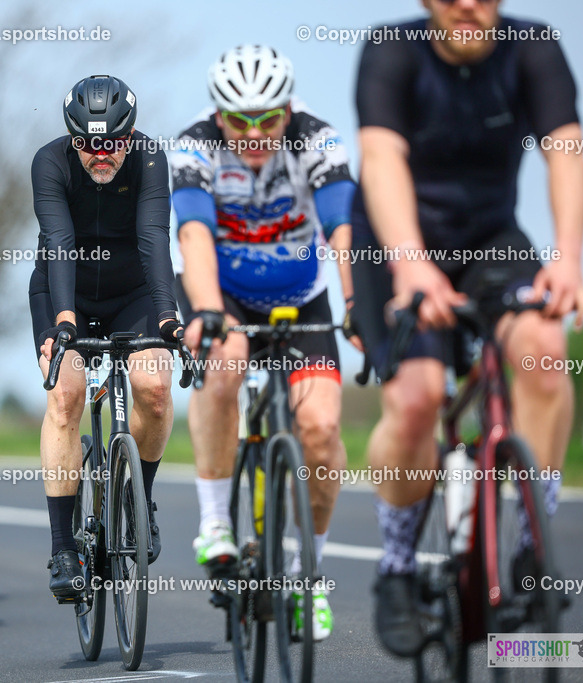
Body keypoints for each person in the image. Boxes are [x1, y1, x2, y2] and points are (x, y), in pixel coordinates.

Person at [350, 0, 583, 657]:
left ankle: (529, 546)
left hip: (491, 238)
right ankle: (397, 569)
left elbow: (565, 152)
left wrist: (567, 257)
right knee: (419, 396)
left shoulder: (534, 47)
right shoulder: (390, 51)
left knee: (544, 346)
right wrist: (410, 265)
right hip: (391, 241)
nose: (467, 6)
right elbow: (380, 160)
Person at [171, 44, 358, 641]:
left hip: (302, 297)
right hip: (221, 293)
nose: (255, 133)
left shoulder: (317, 139)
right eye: (240, 120)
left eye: (268, 119)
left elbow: (343, 229)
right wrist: (205, 311)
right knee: (224, 366)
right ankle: (215, 522)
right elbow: (194, 232)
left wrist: (356, 305)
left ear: (287, 108)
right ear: (218, 114)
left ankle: (309, 572)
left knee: (323, 434)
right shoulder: (194, 144)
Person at [30, 75, 183, 601]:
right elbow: (59, 241)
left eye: (112, 142)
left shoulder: (151, 159)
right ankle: (63, 548)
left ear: (131, 133)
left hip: (134, 292)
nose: (100, 154)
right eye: (88, 143)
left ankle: (138, 499)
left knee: (157, 392)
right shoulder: (49, 162)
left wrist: (167, 315)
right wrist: (65, 321)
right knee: (67, 395)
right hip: (62, 289)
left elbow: (153, 239)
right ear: (72, 137)